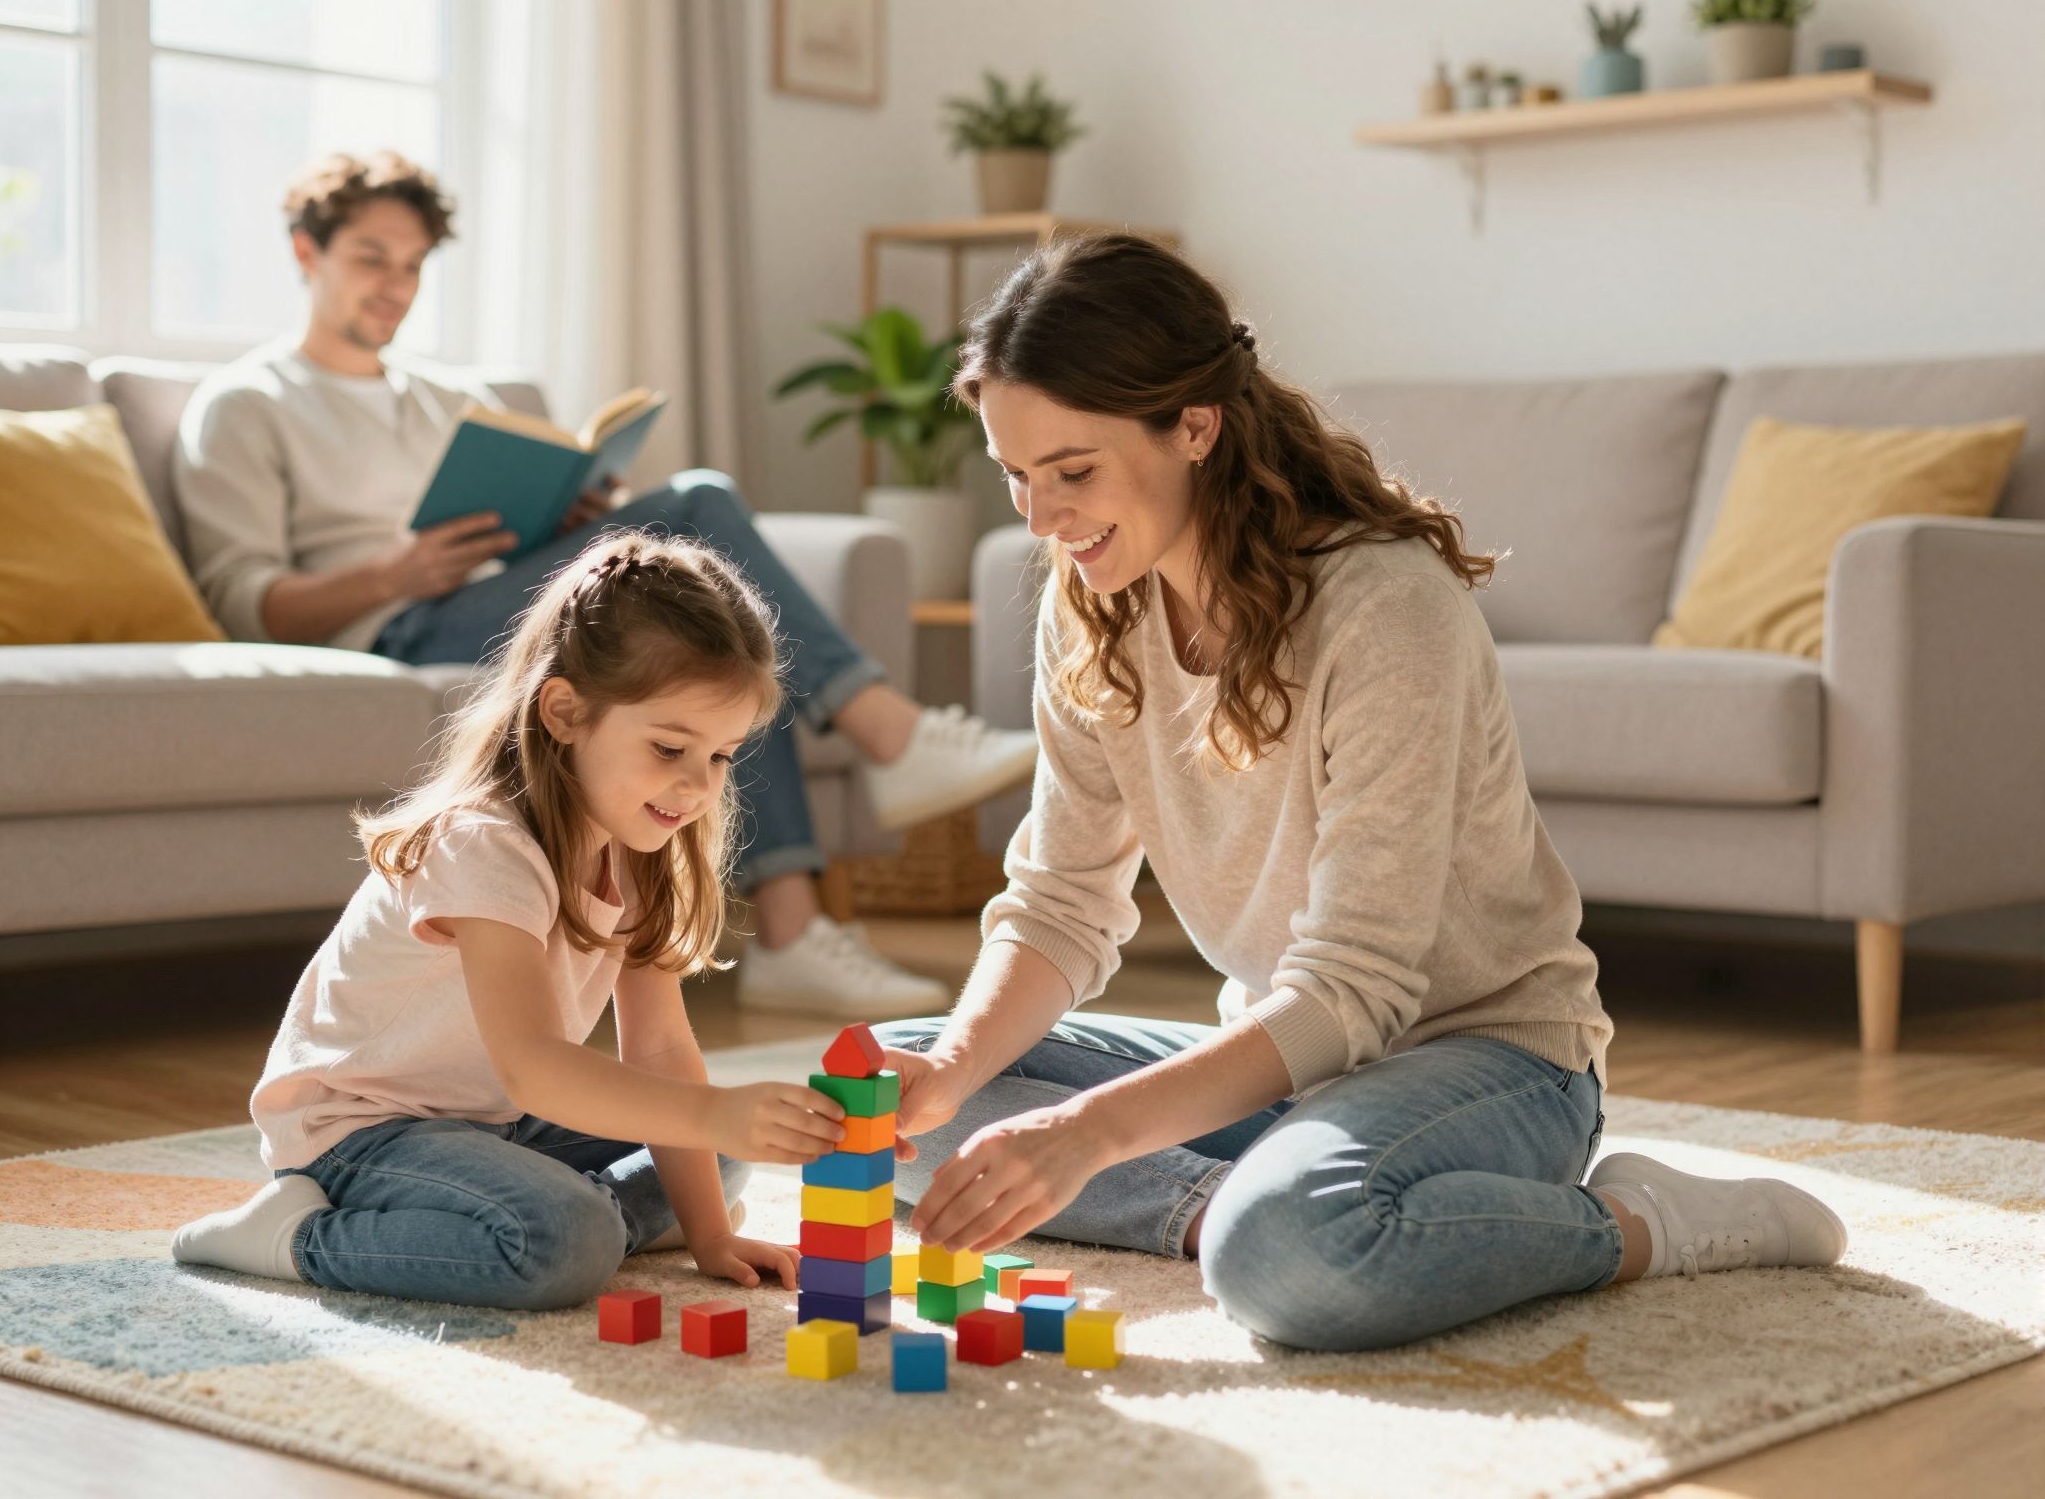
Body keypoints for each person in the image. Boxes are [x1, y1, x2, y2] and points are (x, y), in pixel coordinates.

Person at [872, 234, 1849, 1353]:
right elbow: (1058, 905)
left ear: (1193, 426)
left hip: (1486, 1062)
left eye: (1073, 471)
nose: (1039, 520)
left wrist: (1090, 1135)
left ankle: (1636, 1221)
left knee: (1286, 1252)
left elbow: (1357, 988)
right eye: (1016, 474)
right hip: (1287, 1071)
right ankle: (1215, 1211)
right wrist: (950, 1072)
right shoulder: (1091, 607)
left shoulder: (1383, 608)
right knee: (887, 1089)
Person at [171, 150, 1034, 1017]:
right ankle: (886, 738)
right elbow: (246, 599)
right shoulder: (246, 403)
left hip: (489, 593)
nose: (394, 285)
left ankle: (794, 931)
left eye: (412, 265)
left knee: (702, 641)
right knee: (697, 502)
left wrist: (570, 516)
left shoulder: (449, 398)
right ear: (305, 253)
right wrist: (392, 574)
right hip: (393, 622)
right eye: (369, 258)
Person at [170, 531, 853, 1307]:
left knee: (716, 1160)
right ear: (565, 711)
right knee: (566, 1239)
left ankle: (555, 1214)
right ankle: (293, 1236)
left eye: (722, 756)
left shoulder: (638, 841)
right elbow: (532, 1064)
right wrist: (712, 1114)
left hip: (493, 1119)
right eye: (670, 748)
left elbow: (660, 1047)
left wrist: (711, 1234)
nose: (697, 786)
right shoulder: (484, 844)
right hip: (359, 1126)